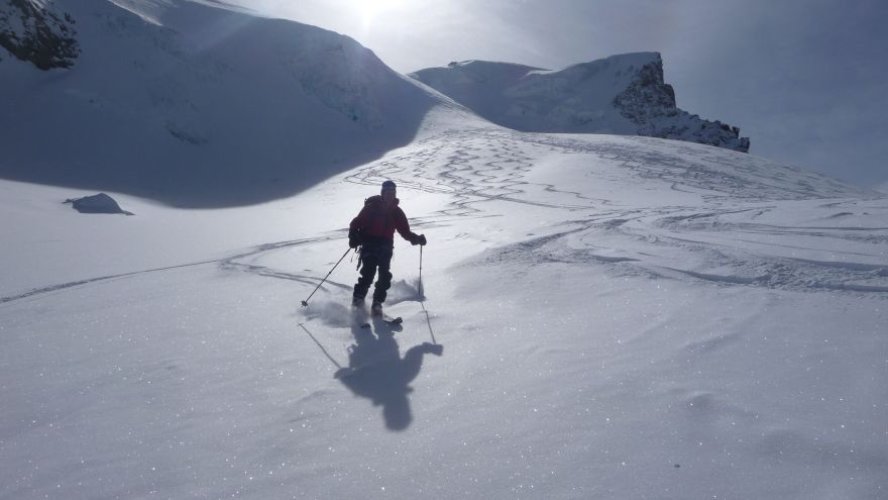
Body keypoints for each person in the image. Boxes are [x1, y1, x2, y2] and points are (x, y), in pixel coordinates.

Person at [349, 180, 426, 315]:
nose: (390, 195)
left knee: (385, 275)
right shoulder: (372, 207)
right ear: (383, 193)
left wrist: (417, 239)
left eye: (392, 193)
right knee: (368, 272)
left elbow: (405, 231)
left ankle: (377, 303)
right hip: (370, 244)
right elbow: (356, 223)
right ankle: (358, 299)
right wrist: (353, 236)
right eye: (388, 192)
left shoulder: (397, 212)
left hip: (386, 246)